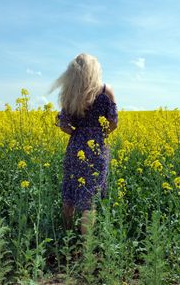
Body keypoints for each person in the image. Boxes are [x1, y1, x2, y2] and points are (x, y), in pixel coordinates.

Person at [48, 53, 118, 237]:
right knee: (90, 199)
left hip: (75, 146)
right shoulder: (106, 90)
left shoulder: (70, 92)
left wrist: (78, 132)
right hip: (97, 146)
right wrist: (100, 134)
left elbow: (64, 125)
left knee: (70, 193)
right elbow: (114, 122)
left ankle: (67, 237)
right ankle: (86, 248)